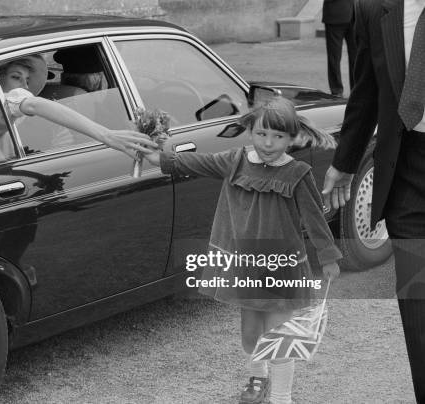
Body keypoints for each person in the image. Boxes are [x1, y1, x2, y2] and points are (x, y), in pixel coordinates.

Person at [136, 96, 341, 404]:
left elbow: (315, 219)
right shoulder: (236, 160)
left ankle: (282, 397)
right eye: (262, 134)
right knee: (251, 332)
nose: (269, 142)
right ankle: (258, 378)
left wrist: (328, 257)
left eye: (278, 136)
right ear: (250, 130)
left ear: (292, 137)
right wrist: (160, 158)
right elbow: (197, 162)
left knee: (278, 336)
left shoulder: (298, 173)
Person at [322, 0, 425, 401]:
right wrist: (344, 163)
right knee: (418, 308)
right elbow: (366, 91)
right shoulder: (373, 10)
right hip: (409, 173)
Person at [0, 54, 156, 159]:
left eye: (27, 80)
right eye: (16, 77)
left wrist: (56, 144)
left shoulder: (19, 113)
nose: (24, 85)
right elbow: (32, 104)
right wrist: (107, 135)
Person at [322, 0, 356, 97]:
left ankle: (356, 89)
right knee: (334, 57)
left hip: (355, 16)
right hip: (335, 15)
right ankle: (336, 90)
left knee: (357, 57)